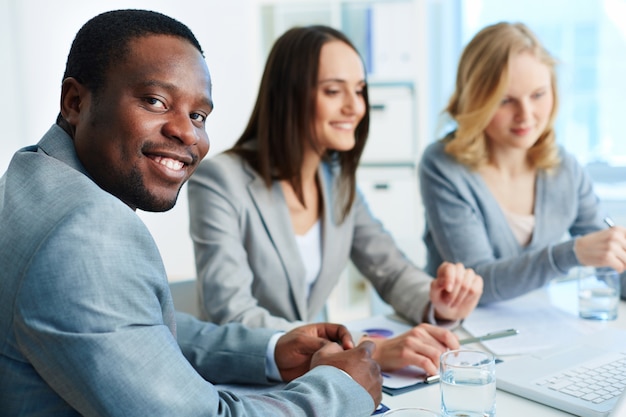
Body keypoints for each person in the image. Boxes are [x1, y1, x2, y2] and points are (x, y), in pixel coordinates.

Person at [0, 10, 383, 416]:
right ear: (75, 102)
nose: (187, 133)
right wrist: (343, 390)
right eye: (155, 101)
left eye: (198, 115)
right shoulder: (87, 233)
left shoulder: (30, 180)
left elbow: (133, 330)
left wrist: (271, 350)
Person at [187, 25, 483, 376]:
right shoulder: (220, 180)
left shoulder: (335, 178)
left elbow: (391, 270)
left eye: (359, 91)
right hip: (247, 377)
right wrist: (366, 348)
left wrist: (438, 299)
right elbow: (234, 315)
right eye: (333, 91)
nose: (355, 107)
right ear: (289, 96)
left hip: (318, 376)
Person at [419, 21, 626, 304]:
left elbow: (608, 260)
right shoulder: (443, 166)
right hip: (462, 334)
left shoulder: (565, 167)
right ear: (476, 101)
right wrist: (571, 252)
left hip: (539, 327)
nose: (526, 115)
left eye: (538, 95)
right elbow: (479, 285)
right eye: (506, 101)